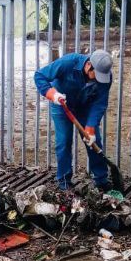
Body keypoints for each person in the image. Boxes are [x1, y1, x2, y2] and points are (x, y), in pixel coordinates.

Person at [34, 50, 113, 190]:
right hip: (61, 105)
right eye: (97, 75)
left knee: (94, 142)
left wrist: (90, 127)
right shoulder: (67, 63)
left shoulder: (105, 76)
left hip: (86, 108)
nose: (98, 80)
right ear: (88, 65)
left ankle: (101, 181)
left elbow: (100, 103)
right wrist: (51, 94)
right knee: (63, 142)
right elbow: (39, 75)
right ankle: (64, 182)